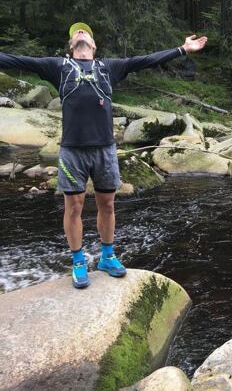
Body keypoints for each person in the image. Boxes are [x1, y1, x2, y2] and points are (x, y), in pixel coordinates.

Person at [0, 22, 207, 288]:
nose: (80, 33)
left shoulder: (109, 67)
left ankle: (107, 257)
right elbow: (15, 60)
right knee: (73, 207)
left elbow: (145, 60)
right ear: (71, 45)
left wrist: (182, 49)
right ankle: (78, 261)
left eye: (85, 32)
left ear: (94, 45)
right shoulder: (57, 66)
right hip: (72, 150)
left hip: (105, 149)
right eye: (76, 33)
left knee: (107, 205)